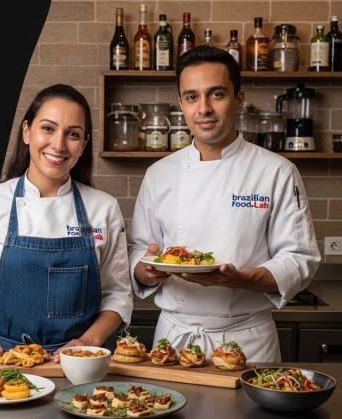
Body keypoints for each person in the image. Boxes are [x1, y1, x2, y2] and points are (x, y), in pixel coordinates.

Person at [128, 46, 321, 362]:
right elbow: (137, 249)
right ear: (181, 104)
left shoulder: (276, 171)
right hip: (174, 340)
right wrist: (146, 271)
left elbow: (300, 259)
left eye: (216, 94)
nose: (203, 108)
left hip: (248, 341)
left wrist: (239, 279)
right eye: (191, 97)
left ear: (239, 99)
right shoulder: (158, 174)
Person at [0, 84, 133, 363]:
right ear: (27, 132)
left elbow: (117, 294)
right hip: (1, 363)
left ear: (83, 145)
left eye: (72, 134)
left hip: (78, 364)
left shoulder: (103, 208)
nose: (58, 145)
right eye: (48, 128)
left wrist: (88, 341)